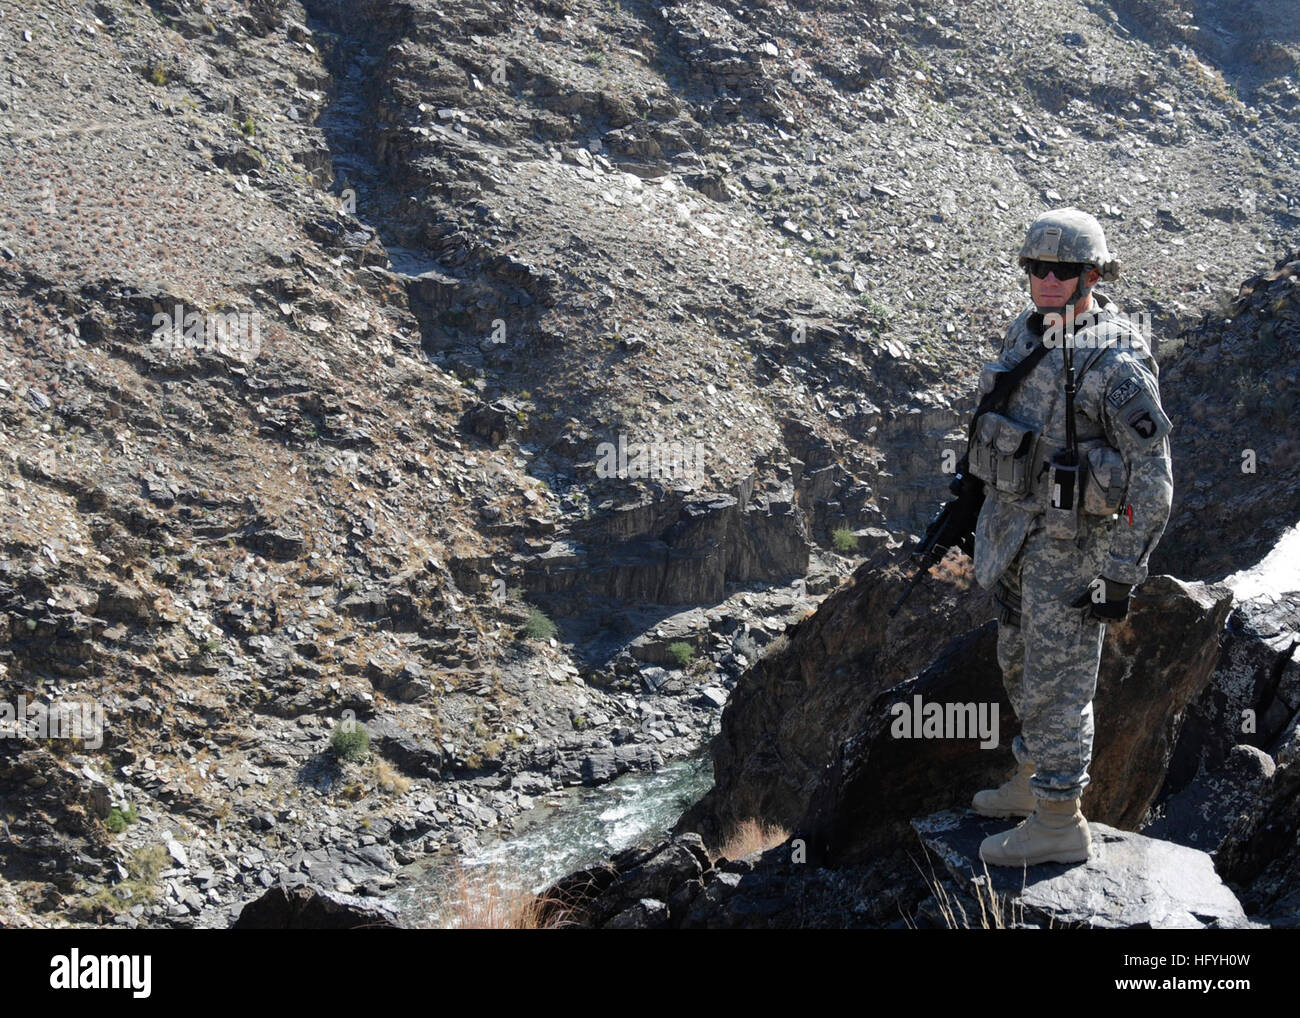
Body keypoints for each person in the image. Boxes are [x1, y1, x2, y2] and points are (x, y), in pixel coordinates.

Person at [963, 208, 1174, 866]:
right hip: (1014, 542)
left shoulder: (1116, 364)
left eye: (1062, 271)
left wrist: (1119, 573)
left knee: (1060, 687)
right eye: (1036, 269)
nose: (1047, 281)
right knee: (1019, 664)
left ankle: (1060, 819)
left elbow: (1152, 484)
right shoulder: (1027, 336)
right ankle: (1032, 781)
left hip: (1073, 554)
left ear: (1092, 275)